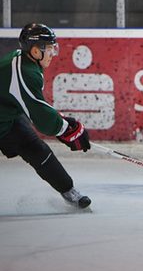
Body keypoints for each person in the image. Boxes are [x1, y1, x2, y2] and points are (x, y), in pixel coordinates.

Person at [0, 23, 92, 209]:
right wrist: (67, 129)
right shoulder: (25, 73)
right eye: (49, 49)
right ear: (35, 51)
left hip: (5, 118)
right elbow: (41, 117)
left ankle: (68, 190)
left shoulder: (26, 64)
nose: (52, 54)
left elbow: (38, 106)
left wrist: (64, 124)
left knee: (35, 148)